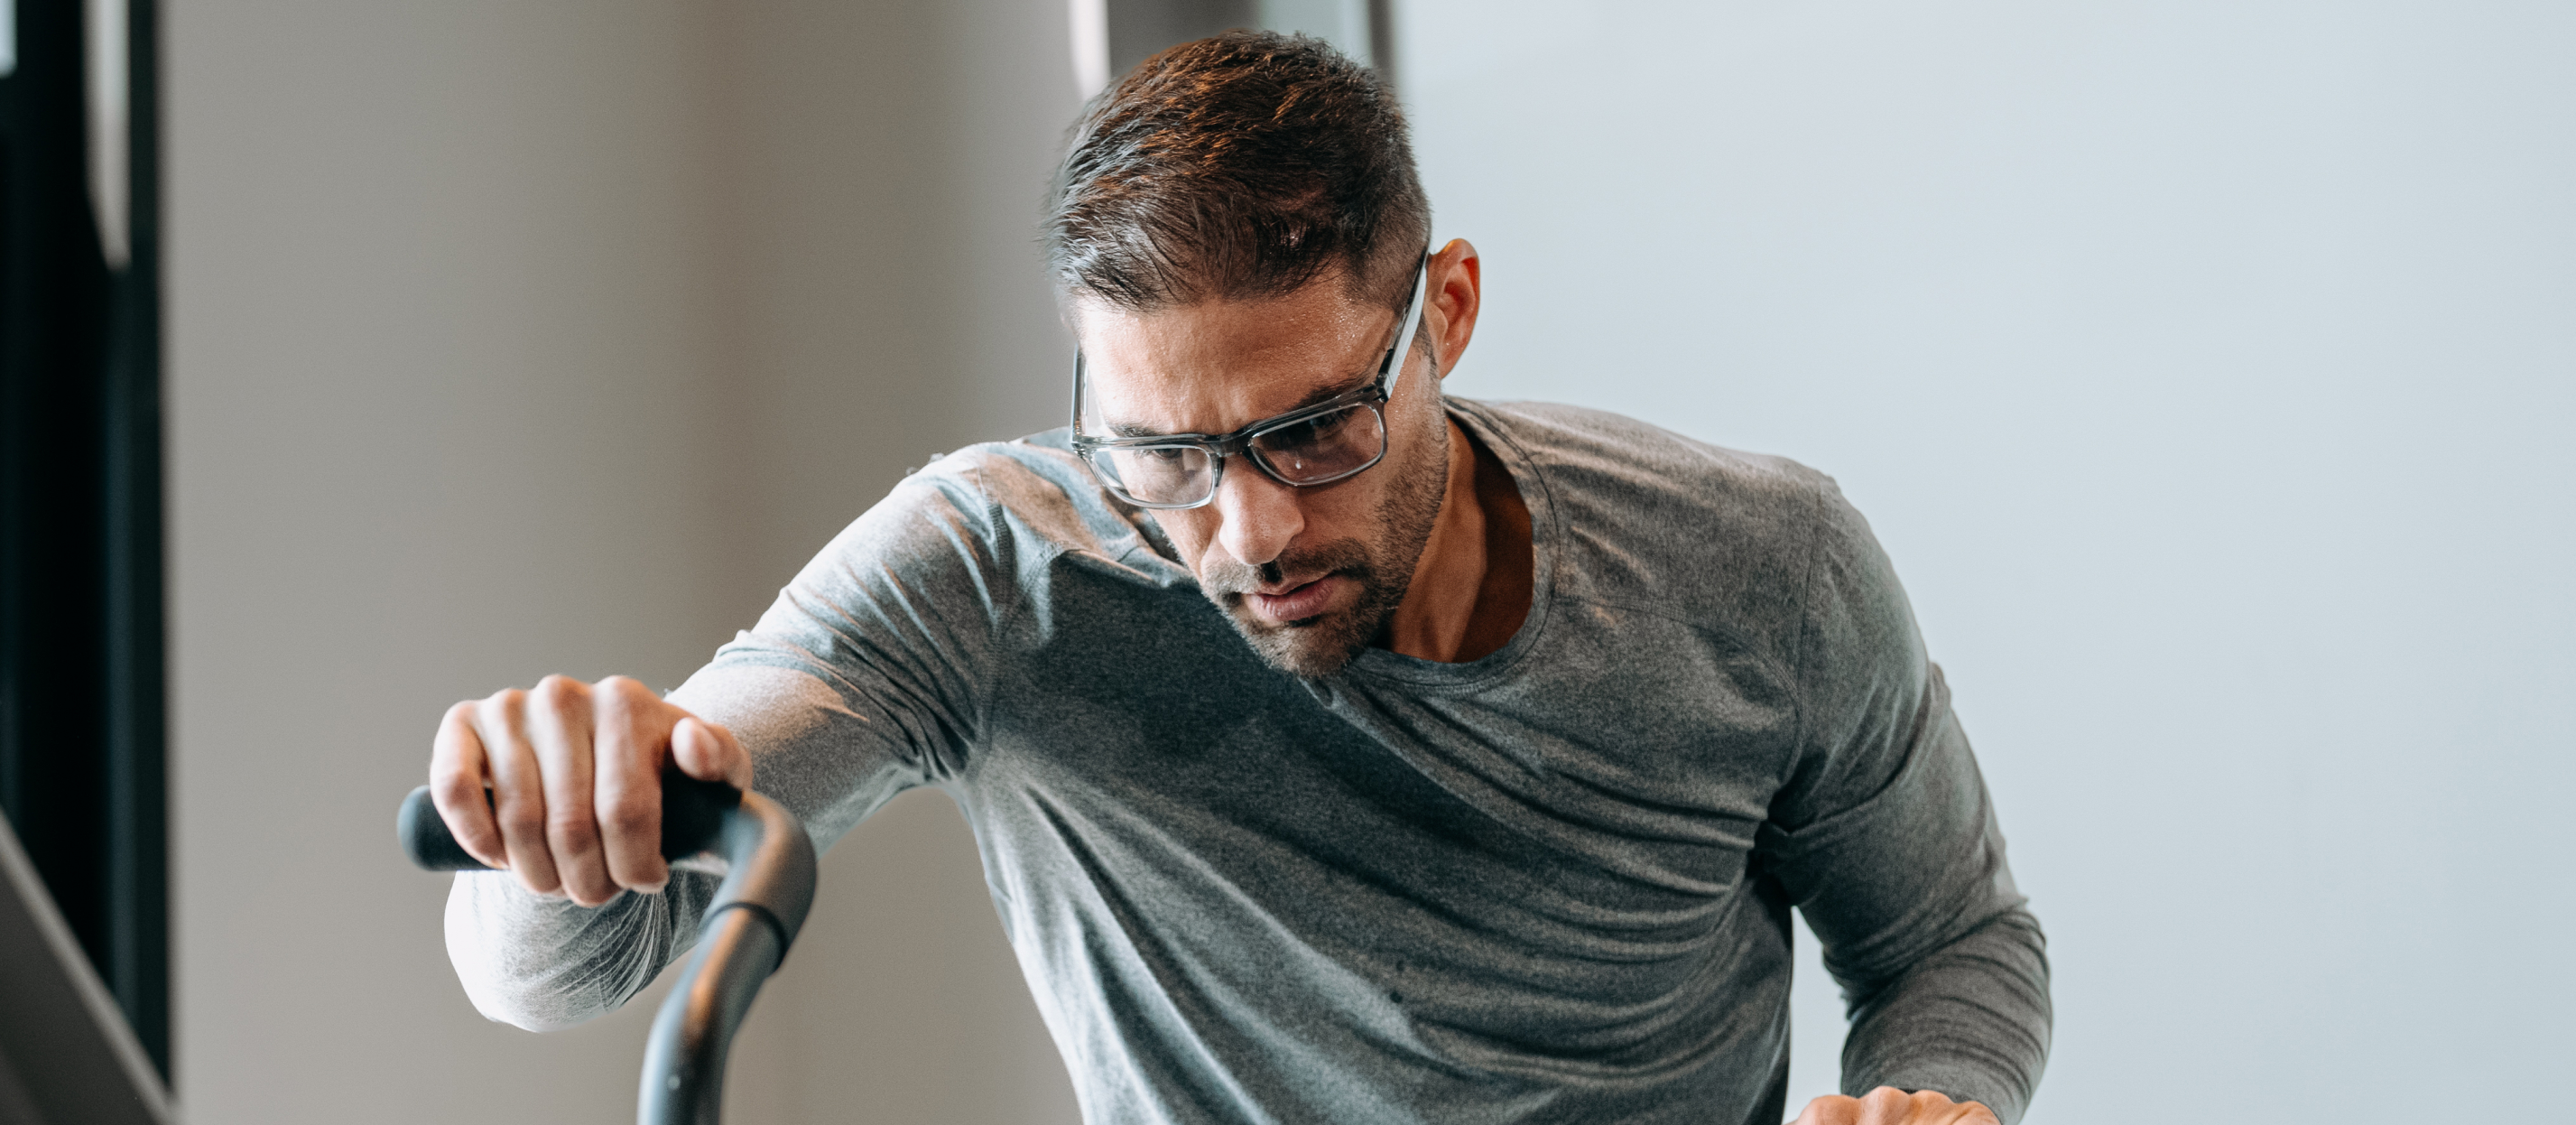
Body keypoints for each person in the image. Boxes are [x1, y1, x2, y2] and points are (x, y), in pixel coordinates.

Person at [431, 32, 2051, 1125]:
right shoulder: (998, 569)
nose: (1246, 528)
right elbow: (557, 969)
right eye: (1166, 451)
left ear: (1450, 312)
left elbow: (1952, 941)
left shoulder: (1763, 568)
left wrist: (1939, 1101)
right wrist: (566, 820)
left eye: (1314, 427)